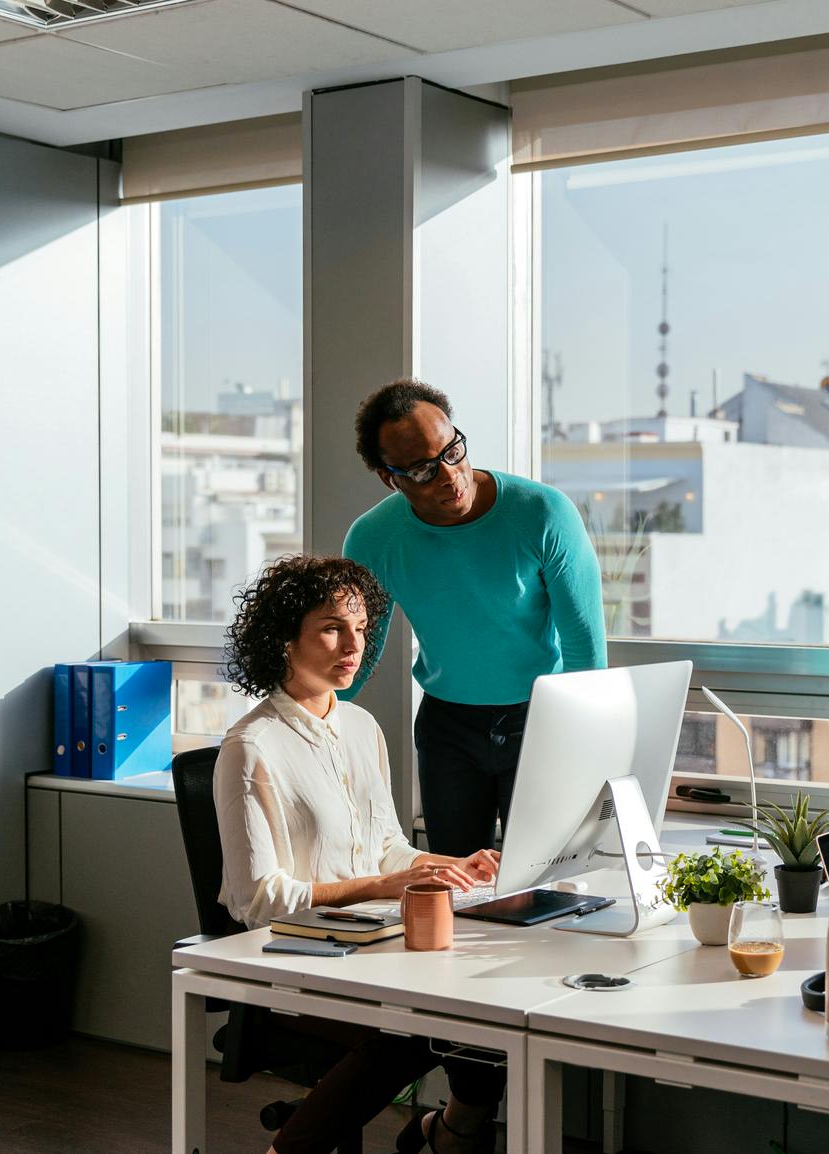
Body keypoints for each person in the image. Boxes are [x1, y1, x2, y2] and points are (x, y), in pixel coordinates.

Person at [214, 554, 506, 1154]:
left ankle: (454, 1130)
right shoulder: (250, 748)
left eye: (363, 629)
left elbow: (388, 849)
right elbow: (258, 901)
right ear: (283, 638)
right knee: (415, 1028)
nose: (354, 645)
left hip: (374, 945)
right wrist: (379, 888)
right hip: (298, 960)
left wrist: (447, 865)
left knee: (490, 1003)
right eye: (331, 628)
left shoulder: (362, 727)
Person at [343, 378, 606, 855]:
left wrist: (588, 747)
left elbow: (584, 645)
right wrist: (299, 720)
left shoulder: (543, 513)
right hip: (448, 731)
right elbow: (360, 646)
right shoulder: (373, 539)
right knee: (455, 886)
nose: (449, 476)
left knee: (544, 880)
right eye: (423, 470)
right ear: (390, 478)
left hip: (539, 720)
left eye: (452, 451)